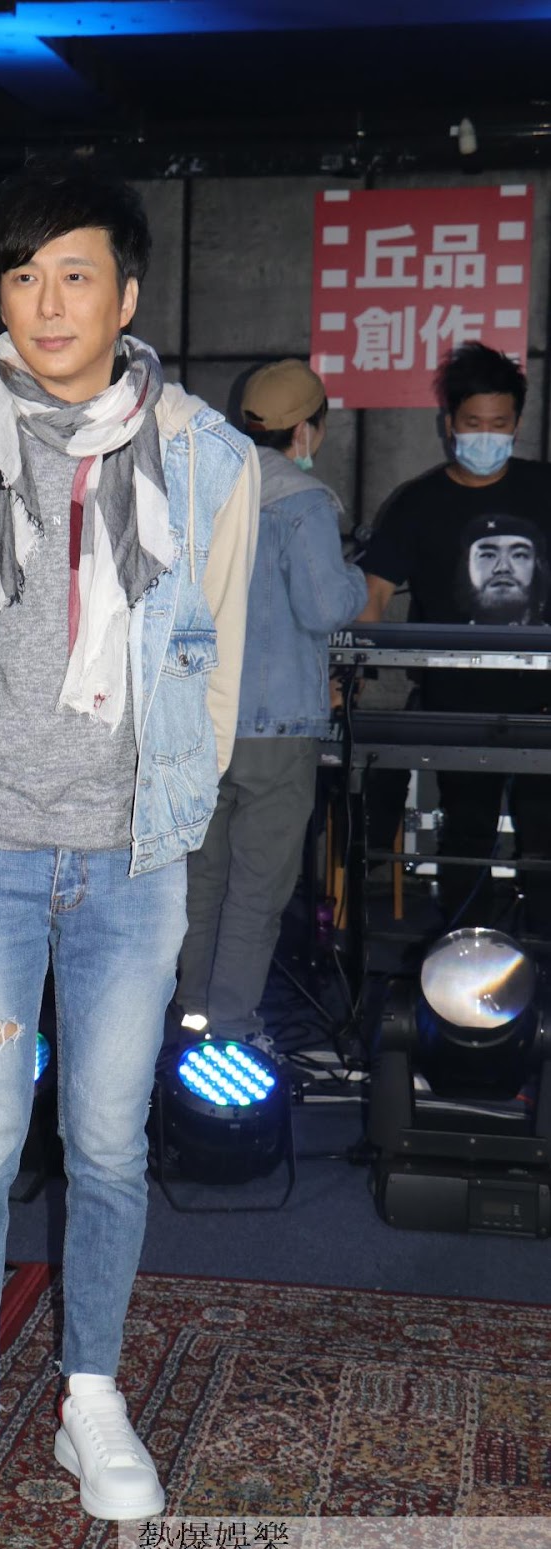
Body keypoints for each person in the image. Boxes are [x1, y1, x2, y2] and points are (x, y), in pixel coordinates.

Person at [0, 158, 258, 1549]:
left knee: (105, 1145)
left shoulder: (210, 462)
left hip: (127, 864)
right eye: (22, 275)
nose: (45, 301)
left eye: (74, 274)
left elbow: (215, 661)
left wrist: (178, 810)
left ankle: (89, 1396)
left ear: (125, 296)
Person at [172, 360, 367, 1046]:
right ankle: (231, 1028)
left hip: (202, 721)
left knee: (201, 881)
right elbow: (324, 608)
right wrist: (356, 577)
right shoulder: (302, 501)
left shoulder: (204, 488)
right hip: (277, 728)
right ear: (307, 430)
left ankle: (190, 1015)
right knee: (257, 888)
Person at [359, 341, 551, 931]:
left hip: (544, 707)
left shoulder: (544, 489)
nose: (486, 436)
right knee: (466, 838)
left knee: (544, 842)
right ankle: (464, 950)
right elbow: (372, 595)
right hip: (456, 709)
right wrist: (350, 667)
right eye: (473, 423)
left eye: (499, 424)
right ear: (449, 425)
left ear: (517, 424)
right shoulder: (418, 504)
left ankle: (542, 959)